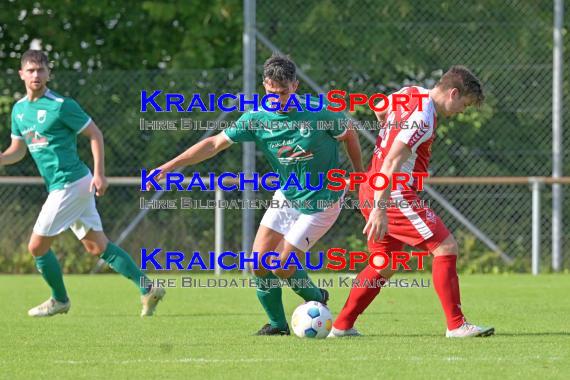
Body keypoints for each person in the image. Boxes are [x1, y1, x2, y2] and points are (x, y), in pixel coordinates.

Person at [148, 53, 363, 335]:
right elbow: (214, 144)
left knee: (283, 266)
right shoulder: (258, 118)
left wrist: (360, 178)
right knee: (259, 262)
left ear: (295, 86)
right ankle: (278, 325)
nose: (277, 98)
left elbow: (350, 136)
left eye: (283, 92)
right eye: (271, 92)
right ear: (264, 85)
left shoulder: (320, 113)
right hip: (287, 196)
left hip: (322, 201)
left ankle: (316, 297)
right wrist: (169, 166)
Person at [329, 66, 495, 338]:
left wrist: (389, 131)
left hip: (371, 186)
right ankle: (456, 325)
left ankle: (342, 326)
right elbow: (393, 161)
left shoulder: (410, 93)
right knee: (445, 247)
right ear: (453, 93)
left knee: (384, 263)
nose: (461, 112)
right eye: (463, 105)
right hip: (392, 194)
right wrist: (381, 210)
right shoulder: (423, 117)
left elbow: (380, 108)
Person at [0, 50, 165, 317]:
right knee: (97, 247)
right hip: (64, 185)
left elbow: (94, 133)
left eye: (41, 70)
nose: (36, 75)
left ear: (48, 74)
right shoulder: (19, 110)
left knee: (36, 247)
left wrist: (100, 173)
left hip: (71, 183)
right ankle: (148, 287)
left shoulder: (61, 105)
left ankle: (60, 300)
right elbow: (17, 151)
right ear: (21, 74)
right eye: (30, 70)